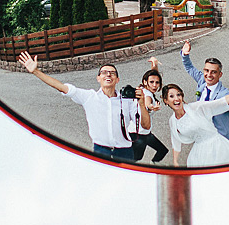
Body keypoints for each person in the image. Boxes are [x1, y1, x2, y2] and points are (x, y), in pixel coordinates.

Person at [17, 51, 150, 162]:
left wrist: (142, 104)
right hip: (100, 151)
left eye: (112, 73)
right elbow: (61, 87)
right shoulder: (89, 97)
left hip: (125, 152)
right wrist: (36, 72)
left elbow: (146, 125)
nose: (108, 74)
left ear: (117, 80)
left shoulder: (127, 101)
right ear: (98, 78)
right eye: (104, 72)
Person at [162, 80, 229, 167]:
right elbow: (175, 140)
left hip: (216, 148)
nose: (177, 98)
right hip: (198, 153)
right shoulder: (173, 121)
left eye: (178, 94)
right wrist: (175, 162)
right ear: (166, 101)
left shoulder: (197, 108)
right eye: (171, 96)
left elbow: (224, 101)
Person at [179, 39, 229, 143]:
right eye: (206, 70)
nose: (209, 75)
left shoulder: (224, 94)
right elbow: (189, 67)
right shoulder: (202, 80)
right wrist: (185, 54)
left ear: (220, 75)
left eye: (213, 72)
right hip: (202, 135)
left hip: (219, 138)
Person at [129, 58, 170, 163]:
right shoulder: (147, 95)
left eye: (157, 82)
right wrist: (151, 107)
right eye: (151, 82)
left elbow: (154, 74)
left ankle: (154, 165)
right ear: (145, 81)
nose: (155, 85)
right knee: (135, 158)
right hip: (139, 135)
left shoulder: (143, 89)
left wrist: (154, 63)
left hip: (143, 132)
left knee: (162, 150)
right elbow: (147, 103)